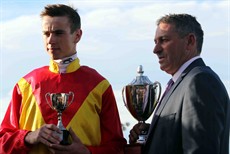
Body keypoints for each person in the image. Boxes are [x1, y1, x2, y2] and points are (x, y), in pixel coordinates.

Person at [0, 4, 126, 154]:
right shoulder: (25, 84)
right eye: (46, 33)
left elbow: (117, 148)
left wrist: (86, 153)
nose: (51, 40)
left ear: (77, 35)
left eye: (58, 33)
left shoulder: (99, 85)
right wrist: (28, 137)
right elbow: (2, 142)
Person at [129, 13, 230, 154]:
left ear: (189, 41)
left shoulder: (199, 82)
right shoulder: (182, 83)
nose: (155, 50)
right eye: (155, 42)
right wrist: (153, 134)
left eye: (163, 40)